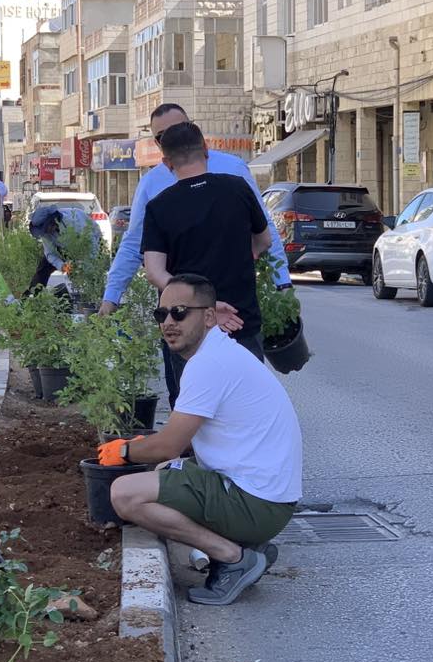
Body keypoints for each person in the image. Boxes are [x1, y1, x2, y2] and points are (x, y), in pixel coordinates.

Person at [100, 275, 302, 606]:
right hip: (267, 497)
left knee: (124, 494)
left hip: (258, 503)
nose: (168, 322)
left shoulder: (208, 364)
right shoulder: (221, 353)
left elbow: (168, 444)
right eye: (161, 314)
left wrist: (122, 450)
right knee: (165, 470)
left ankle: (234, 558)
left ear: (209, 316)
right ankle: (246, 546)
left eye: (180, 312)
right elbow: (184, 443)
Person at [99, 103, 292, 404]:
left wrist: (283, 284)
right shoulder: (156, 186)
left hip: (198, 315)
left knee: (206, 404)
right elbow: (264, 239)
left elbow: (154, 269)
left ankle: (200, 450)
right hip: (211, 318)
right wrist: (111, 296)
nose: (170, 136)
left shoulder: (233, 172)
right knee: (214, 400)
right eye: (162, 134)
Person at [142, 122, 274, 394]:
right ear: (206, 149)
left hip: (189, 326)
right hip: (241, 320)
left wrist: (203, 304)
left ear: (166, 163)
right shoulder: (238, 188)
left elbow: (154, 271)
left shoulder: (159, 206)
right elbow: (264, 241)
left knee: (195, 413)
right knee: (246, 408)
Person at [24, 204, 101, 294]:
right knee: (43, 268)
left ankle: (96, 295)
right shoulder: (46, 234)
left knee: (92, 272)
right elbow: (50, 254)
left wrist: (84, 266)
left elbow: (91, 247)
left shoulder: (74, 221)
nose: (45, 233)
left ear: (52, 221)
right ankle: (33, 297)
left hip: (87, 243)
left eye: (45, 229)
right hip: (65, 246)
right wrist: (62, 266)